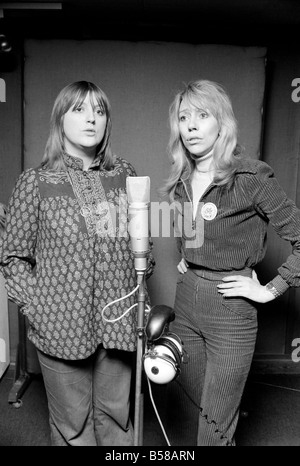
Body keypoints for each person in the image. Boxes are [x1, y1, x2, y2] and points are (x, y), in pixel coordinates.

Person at [0, 81, 154, 446]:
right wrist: (38, 308)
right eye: (80, 109)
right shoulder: (35, 182)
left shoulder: (124, 175)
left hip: (119, 321)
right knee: (73, 428)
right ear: (60, 119)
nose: (91, 119)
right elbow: (13, 255)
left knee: (117, 420)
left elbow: (144, 241)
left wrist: (140, 288)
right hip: (61, 327)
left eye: (99, 112)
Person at [160, 79, 300, 446]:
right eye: (183, 117)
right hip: (186, 301)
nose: (190, 126)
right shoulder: (181, 181)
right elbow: (191, 231)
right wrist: (189, 258)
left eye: (201, 116)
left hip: (231, 308)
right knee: (187, 409)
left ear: (221, 123)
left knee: (214, 426)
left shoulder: (252, 177)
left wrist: (272, 288)